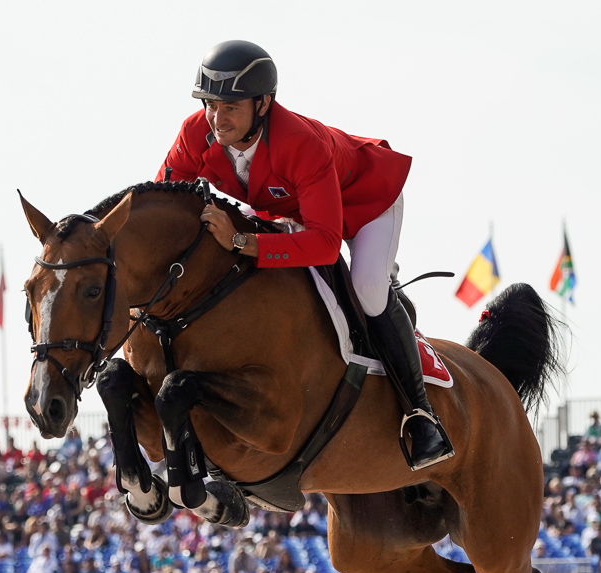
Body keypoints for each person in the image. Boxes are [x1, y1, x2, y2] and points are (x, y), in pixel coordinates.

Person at [158, 40, 451, 470]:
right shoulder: (195, 134)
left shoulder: (300, 143)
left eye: (230, 108)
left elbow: (325, 244)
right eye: (211, 106)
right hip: (294, 211)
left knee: (368, 290)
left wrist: (241, 243)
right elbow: (164, 201)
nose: (217, 120)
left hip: (367, 204)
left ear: (263, 104)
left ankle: (421, 416)